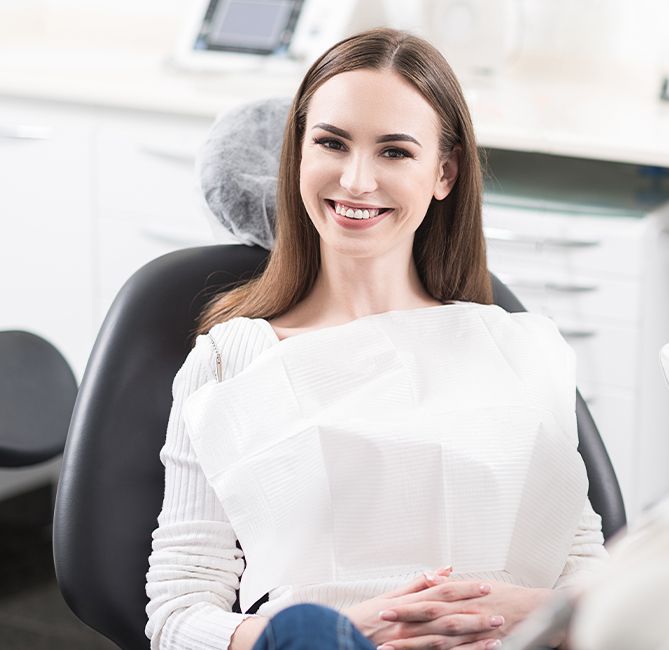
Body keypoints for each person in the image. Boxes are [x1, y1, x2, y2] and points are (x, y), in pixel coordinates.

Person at [144, 27, 608, 650]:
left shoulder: (520, 350)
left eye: (394, 152)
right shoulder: (232, 363)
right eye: (332, 143)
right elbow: (176, 616)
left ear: (443, 173)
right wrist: (327, 633)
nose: (357, 181)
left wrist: (521, 613)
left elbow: (589, 574)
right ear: (300, 156)